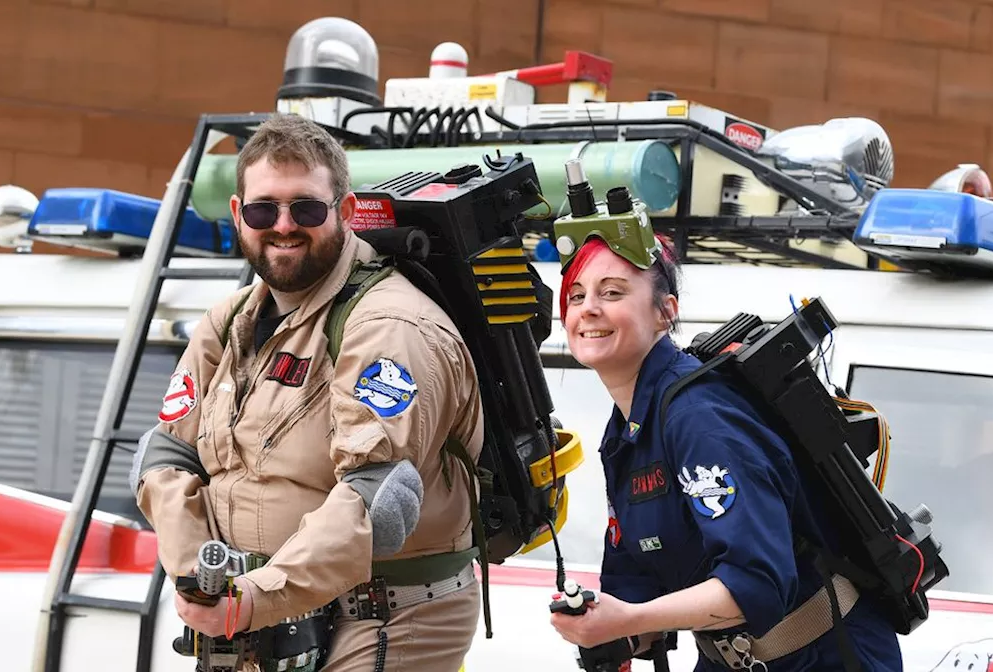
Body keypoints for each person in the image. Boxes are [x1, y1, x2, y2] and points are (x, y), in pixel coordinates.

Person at [130, 113, 484, 672]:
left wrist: (252, 599)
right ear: (239, 216)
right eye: (264, 208)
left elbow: (376, 500)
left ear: (344, 212)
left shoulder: (389, 327)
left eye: (307, 208)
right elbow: (167, 455)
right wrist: (202, 579)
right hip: (253, 630)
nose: (283, 225)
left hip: (378, 625)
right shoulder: (228, 322)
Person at [547, 224, 904, 671]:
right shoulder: (625, 431)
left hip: (825, 657)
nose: (589, 310)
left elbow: (754, 584)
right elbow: (634, 581)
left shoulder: (697, 417)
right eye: (576, 297)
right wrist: (611, 629)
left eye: (613, 293)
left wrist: (631, 618)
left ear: (665, 312)